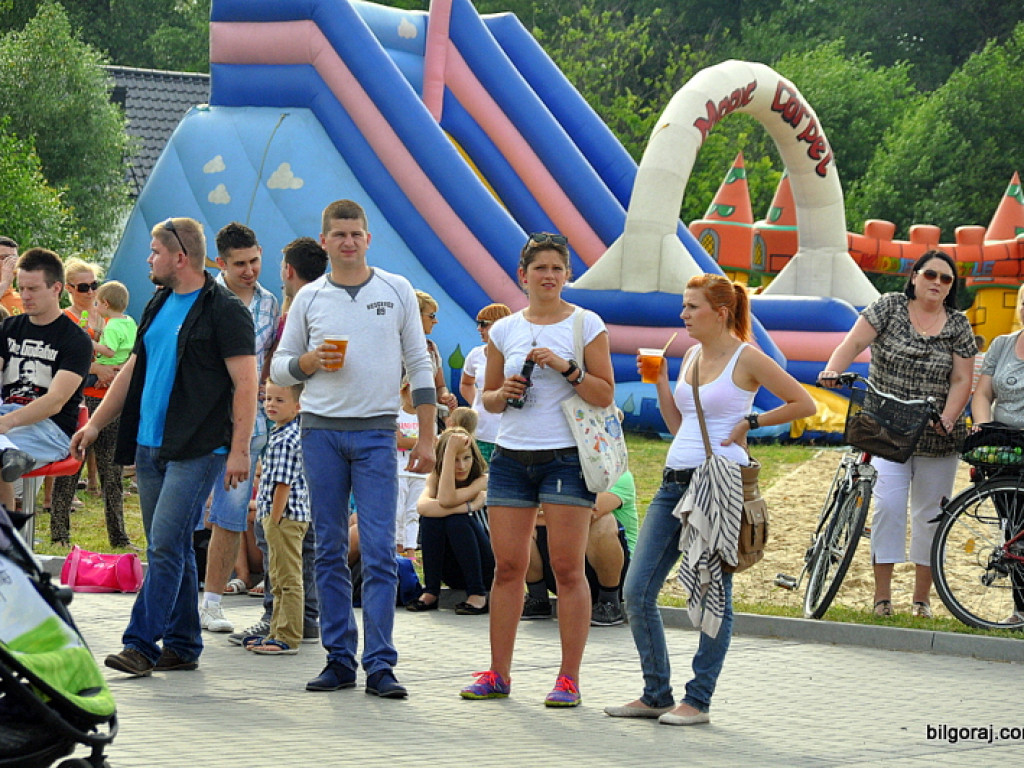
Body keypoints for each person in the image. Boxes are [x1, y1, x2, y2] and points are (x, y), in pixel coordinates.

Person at [605, 273, 814, 725]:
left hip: (719, 487)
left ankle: (697, 700)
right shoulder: (692, 355)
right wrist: (660, 381)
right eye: (683, 307)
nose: (683, 315)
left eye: (691, 307)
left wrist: (752, 424)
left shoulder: (748, 357)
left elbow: (804, 404)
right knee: (637, 589)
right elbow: (679, 425)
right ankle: (655, 692)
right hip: (674, 483)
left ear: (720, 312)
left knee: (715, 594)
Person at [78, 216, 257, 677]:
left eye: (154, 251)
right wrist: (96, 425)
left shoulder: (224, 308)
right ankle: (183, 642)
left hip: (198, 447)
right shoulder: (158, 302)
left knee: (162, 545)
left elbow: (246, 384)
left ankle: (141, 643)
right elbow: (133, 370)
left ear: (180, 257)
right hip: (149, 444)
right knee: (171, 543)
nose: (148, 259)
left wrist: (239, 450)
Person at [271, 199, 436, 698]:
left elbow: (420, 364)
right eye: (338, 234)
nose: (347, 241)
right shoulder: (310, 298)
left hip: (376, 433)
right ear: (324, 242)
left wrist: (427, 436)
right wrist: (307, 362)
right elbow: (278, 368)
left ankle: (381, 664)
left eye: (355, 233)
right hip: (319, 431)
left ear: (368, 238)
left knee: (382, 549)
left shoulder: (396, 289)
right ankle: (339, 658)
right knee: (328, 548)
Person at [459, 232, 613, 708]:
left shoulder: (586, 324)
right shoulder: (504, 331)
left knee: (568, 568)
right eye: (540, 269)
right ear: (522, 276)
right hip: (511, 456)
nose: (549, 277)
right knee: (508, 567)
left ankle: (568, 678)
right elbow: (485, 400)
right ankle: (498, 673)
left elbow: (604, 393)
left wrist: (568, 370)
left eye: (557, 269)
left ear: (567, 275)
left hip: (566, 455)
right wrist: (502, 392)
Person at [820, 250, 975, 619]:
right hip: (885, 429)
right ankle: (882, 597)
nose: (937, 283)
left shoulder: (958, 325)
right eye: (931, 275)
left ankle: (921, 599)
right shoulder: (888, 307)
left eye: (946, 279)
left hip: (937, 435)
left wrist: (950, 418)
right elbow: (854, 344)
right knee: (888, 508)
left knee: (930, 515)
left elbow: (961, 379)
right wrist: (832, 369)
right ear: (915, 277)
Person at [230, 236, 328, 648]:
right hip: (324, 430)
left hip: (299, 429)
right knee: (308, 544)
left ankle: (278, 621)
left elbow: (281, 366)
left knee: (283, 549)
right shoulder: (333, 305)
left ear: (287, 270)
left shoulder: (297, 313)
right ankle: (305, 618)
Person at [199, 222, 280, 635]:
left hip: (251, 428)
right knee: (189, 516)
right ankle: (182, 598)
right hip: (201, 423)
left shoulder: (270, 303)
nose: (249, 271)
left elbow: (267, 364)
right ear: (221, 263)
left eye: (254, 261)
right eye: (239, 264)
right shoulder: (203, 298)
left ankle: (212, 603)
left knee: (233, 514)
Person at [0, 248, 93, 512]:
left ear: (56, 289)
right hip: (8, 417)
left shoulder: (76, 339)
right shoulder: (9, 329)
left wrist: (5, 423)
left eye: (33, 289)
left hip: (50, 427)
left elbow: (55, 401)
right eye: (21, 288)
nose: (25, 296)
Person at [50, 280, 136, 549]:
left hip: (111, 403)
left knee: (113, 472)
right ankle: (59, 533)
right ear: (69, 288)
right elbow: (64, 364)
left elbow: (130, 357)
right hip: (84, 401)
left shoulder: (111, 324)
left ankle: (119, 536)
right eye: (83, 286)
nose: (89, 292)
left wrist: (114, 371)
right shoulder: (66, 321)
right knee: (71, 466)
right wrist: (97, 370)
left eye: (94, 287)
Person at [244, 381, 311, 655]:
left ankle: (288, 636)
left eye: (279, 400)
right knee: (277, 576)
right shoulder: (280, 432)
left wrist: (274, 517)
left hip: (284, 517)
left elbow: (282, 484)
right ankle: (276, 630)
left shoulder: (286, 439)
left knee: (287, 578)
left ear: (297, 406)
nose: (270, 404)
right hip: (280, 516)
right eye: (268, 398)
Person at [970, 289, 1024, 625]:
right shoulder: (1003, 344)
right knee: (1014, 531)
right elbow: (983, 393)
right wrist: (984, 427)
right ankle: (1020, 611)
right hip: (1004, 446)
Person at [524, 468, 638, 627]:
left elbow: (589, 513)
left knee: (602, 520)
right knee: (517, 526)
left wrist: (541, 513)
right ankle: (538, 599)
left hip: (611, 572)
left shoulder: (617, 475)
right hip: (561, 565)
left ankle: (609, 602)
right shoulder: (552, 474)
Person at [407, 427, 492, 615]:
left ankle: (478, 594)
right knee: (432, 520)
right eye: (454, 459)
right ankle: (431, 591)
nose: (461, 466)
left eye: (466, 458)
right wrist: (469, 507)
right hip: (453, 569)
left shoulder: (482, 479)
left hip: (485, 565)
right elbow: (423, 507)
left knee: (456, 521)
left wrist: (455, 511)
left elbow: (446, 500)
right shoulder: (435, 479)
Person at [459, 303, 513, 462]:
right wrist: (477, 405)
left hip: (508, 433)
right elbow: (466, 383)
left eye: (483, 324)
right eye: (478, 324)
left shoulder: (516, 355)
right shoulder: (475, 354)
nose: (478, 329)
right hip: (480, 432)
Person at [395, 376, 428, 559]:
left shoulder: (425, 417)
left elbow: (433, 442)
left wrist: (414, 443)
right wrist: (423, 442)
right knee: (398, 510)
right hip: (400, 469)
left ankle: (411, 549)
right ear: (404, 392)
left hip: (421, 472)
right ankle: (397, 546)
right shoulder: (397, 415)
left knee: (413, 511)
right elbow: (399, 441)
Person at [415, 290, 459, 421]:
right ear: (415, 315)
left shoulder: (431, 347)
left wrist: (445, 396)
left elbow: (440, 385)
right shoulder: (394, 346)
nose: (435, 321)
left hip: (427, 418)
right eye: (431, 316)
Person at [0, 237, 23, 315]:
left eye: (14, 258)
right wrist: (4, 283)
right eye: (4, 258)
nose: (12, 262)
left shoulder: (23, 299)